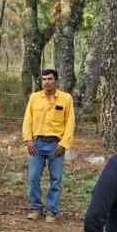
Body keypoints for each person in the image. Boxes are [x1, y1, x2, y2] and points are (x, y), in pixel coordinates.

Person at [22, 68, 75, 222]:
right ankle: (35, 208)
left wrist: (64, 144)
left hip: (56, 145)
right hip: (36, 144)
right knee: (33, 177)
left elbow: (70, 122)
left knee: (56, 179)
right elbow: (28, 120)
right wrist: (28, 140)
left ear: (56, 81)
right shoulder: (34, 98)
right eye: (44, 79)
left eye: (50, 79)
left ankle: (52, 211)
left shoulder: (66, 98)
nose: (47, 82)